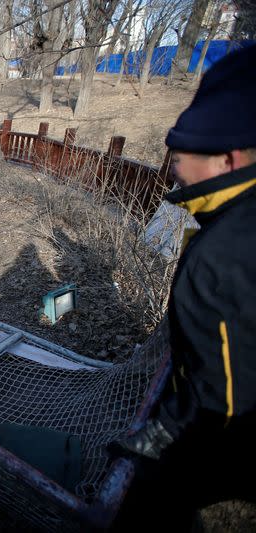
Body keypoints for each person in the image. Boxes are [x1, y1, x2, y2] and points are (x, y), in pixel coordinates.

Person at [111, 45, 256, 529]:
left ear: (227, 161)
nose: (171, 160)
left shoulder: (220, 259)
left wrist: (167, 440)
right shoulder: (231, 219)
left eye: (186, 149)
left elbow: (226, 407)